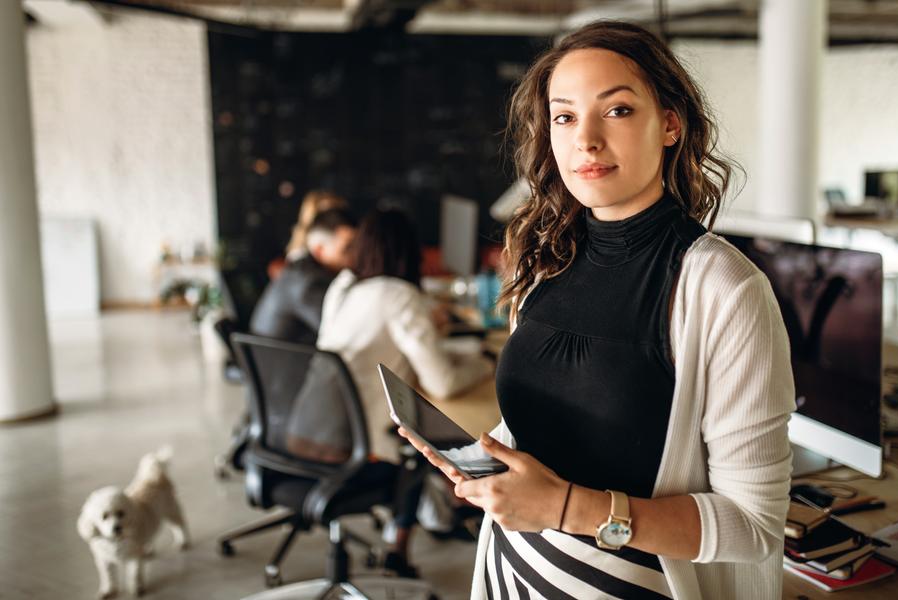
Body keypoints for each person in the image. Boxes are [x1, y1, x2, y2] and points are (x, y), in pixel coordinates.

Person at [399, 20, 795, 600]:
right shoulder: (546, 262)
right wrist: (488, 464)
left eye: (616, 111)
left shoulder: (724, 287)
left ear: (669, 124)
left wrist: (563, 506)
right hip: (514, 572)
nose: (585, 139)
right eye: (564, 116)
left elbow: (753, 527)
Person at [316, 208, 493, 569]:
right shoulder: (399, 295)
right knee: (424, 434)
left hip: (317, 427)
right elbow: (441, 382)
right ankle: (402, 542)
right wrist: (486, 362)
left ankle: (437, 514)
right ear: (410, 252)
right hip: (365, 442)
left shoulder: (345, 288)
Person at [250, 208, 357, 344]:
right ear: (319, 250)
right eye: (347, 248)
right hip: (286, 363)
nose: (355, 256)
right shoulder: (309, 283)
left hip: (270, 358)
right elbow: (340, 333)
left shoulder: (299, 269)